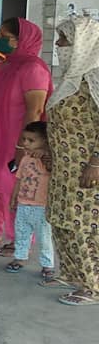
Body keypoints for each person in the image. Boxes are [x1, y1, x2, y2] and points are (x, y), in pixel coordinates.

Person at [0, 18, 52, 253]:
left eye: (6, 36)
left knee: (14, 190)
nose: (0, 40)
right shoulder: (1, 67)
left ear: (23, 39)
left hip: (15, 140)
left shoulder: (33, 69)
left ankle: (20, 239)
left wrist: (23, 147)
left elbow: (34, 110)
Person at [45, 16, 99, 304]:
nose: (58, 44)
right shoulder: (69, 80)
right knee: (61, 220)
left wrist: (96, 163)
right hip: (63, 165)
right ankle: (71, 273)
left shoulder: (95, 78)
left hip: (86, 169)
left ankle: (93, 286)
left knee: (83, 225)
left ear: (82, 44)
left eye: (64, 39)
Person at [4, 122, 54, 278]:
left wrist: (46, 153)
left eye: (32, 141)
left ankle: (47, 265)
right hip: (24, 204)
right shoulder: (25, 159)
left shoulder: (49, 159)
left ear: (45, 142)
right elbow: (18, 180)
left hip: (41, 206)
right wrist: (13, 199)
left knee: (44, 238)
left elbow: (54, 170)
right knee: (22, 233)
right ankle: (20, 258)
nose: (26, 143)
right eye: (24, 139)